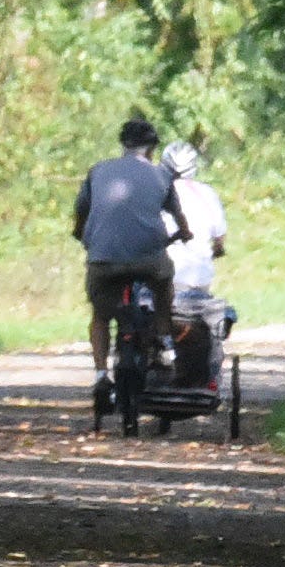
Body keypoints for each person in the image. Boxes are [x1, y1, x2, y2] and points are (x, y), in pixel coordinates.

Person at [72, 113, 189, 401]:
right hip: (148, 257)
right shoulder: (161, 175)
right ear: (151, 149)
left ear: (123, 144)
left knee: (100, 315)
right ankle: (163, 339)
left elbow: (81, 214)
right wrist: (184, 233)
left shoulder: (98, 172)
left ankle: (101, 375)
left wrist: (81, 235)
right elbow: (178, 217)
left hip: (104, 258)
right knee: (163, 283)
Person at [166, 141, 228, 298]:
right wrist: (216, 251)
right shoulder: (207, 193)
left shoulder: (158, 192)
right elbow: (219, 239)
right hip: (200, 278)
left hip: (166, 275)